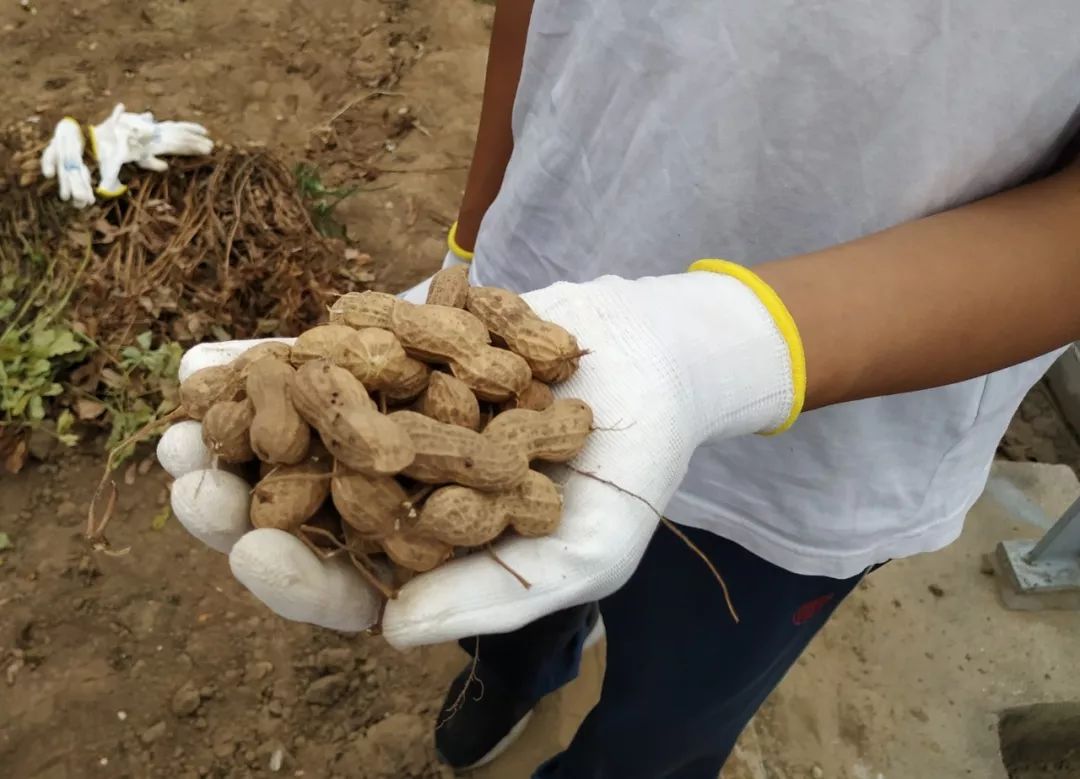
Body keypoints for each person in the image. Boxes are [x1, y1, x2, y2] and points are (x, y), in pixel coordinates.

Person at [158, 2, 1080, 776]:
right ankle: (515, 670)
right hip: (551, 284)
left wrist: (730, 350)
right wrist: (473, 236)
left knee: (674, 710)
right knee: (507, 590)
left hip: (844, 432)